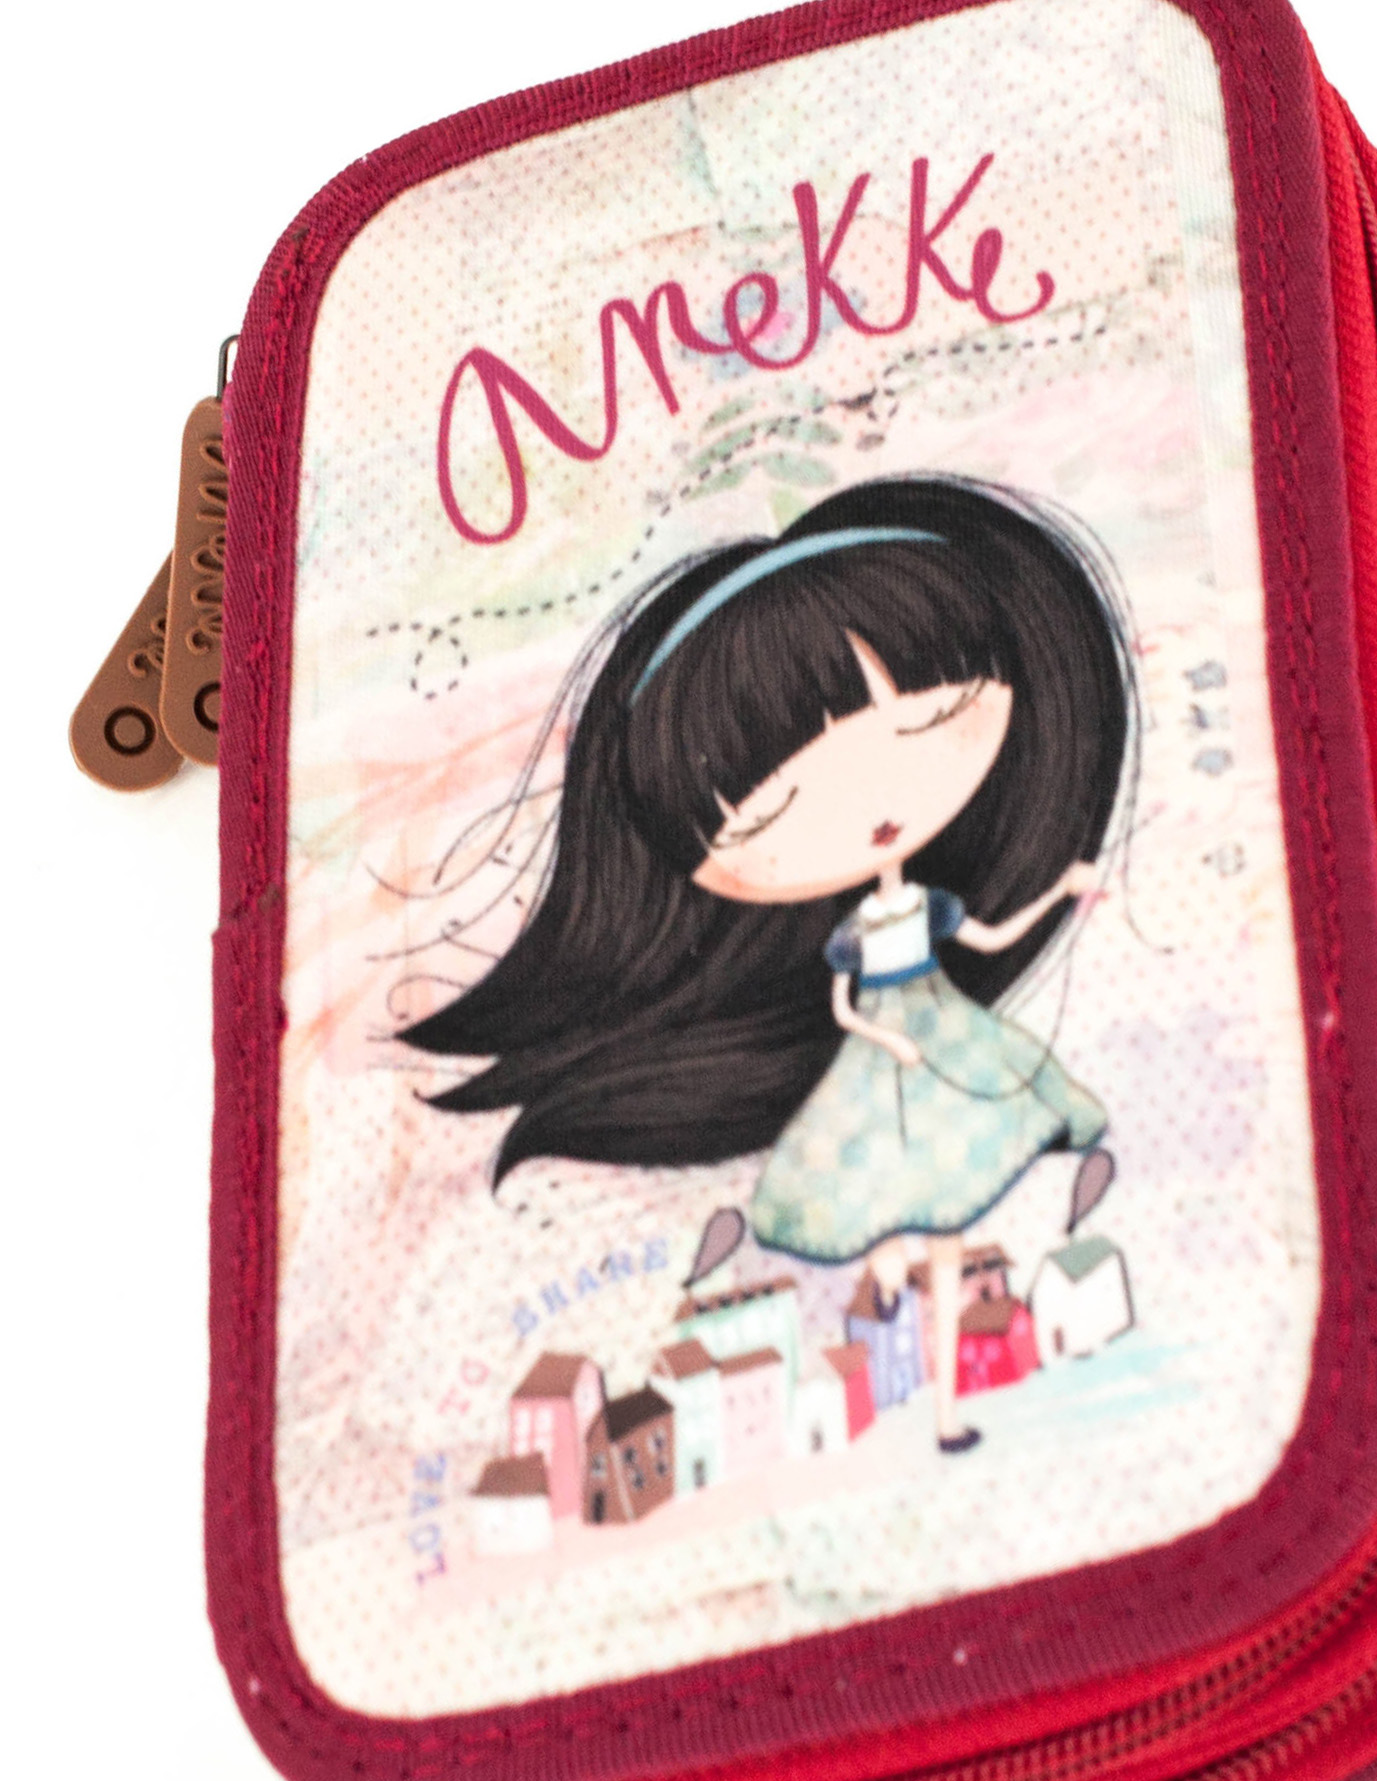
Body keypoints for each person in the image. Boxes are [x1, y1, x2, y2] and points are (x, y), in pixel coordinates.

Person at [406, 475, 1132, 1450]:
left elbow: (989, 939)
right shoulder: (850, 939)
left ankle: (950, 1337)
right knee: (901, 1210)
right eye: (772, 813)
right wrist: (881, 1038)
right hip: (890, 1069)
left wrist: (1060, 891)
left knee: (954, 1206)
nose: (875, 807)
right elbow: (849, 1001)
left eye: (930, 725)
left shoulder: (927, 903)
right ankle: (893, 1338)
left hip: (946, 1053)